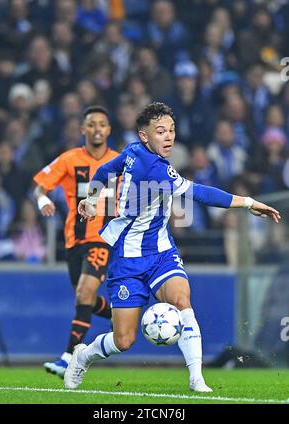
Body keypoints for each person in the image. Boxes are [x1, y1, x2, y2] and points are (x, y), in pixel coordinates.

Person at [66, 102, 281, 392]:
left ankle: (197, 379)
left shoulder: (131, 151)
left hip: (161, 254)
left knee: (182, 302)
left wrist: (91, 199)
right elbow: (200, 193)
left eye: (171, 130)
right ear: (145, 136)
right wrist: (249, 202)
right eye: (160, 131)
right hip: (128, 260)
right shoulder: (154, 168)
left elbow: (104, 170)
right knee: (123, 340)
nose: (169, 137)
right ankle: (83, 355)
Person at [33, 105, 119, 378]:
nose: (97, 129)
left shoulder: (119, 161)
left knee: (84, 294)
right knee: (86, 300)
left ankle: (69, 357)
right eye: (91, 124)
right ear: (82, 129)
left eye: (102, 124)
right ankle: (122, 318)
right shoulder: (69, 159)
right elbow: (40, 186)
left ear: (109, 129)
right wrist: (43, 199)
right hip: (74, 240)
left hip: (103, 238)